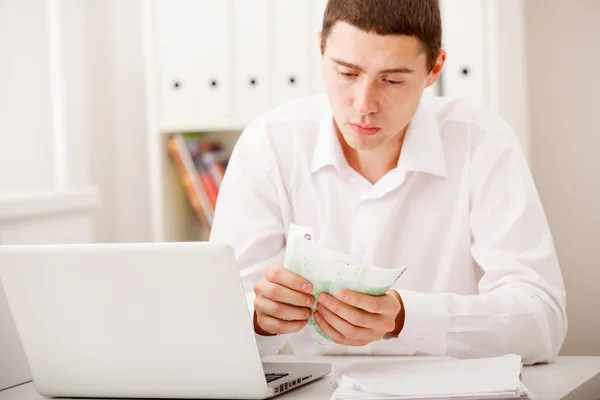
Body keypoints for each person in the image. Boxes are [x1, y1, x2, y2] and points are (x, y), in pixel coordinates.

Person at [209, 0, 567, 365]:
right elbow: (216, 326)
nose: (364, 104)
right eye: (347, 73)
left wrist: (405, 317)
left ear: (434, 69)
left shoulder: (480, 141)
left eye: (392, 80)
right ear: (321, 49)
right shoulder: (270, 143)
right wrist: (260, 319)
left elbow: (542, 320)